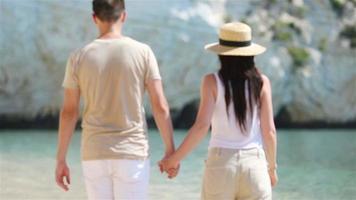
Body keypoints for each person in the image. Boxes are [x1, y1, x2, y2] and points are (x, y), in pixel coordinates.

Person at [55, 0, 178, 199]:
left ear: (94, 18)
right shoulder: (143, 52)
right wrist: (171, 152)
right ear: (124, 16)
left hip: (94, 153)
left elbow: (69, 112)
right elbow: (160, 106)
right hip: (132, 153)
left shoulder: (78, 57)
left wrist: (61, 159)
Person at [160, 22, 278, 200]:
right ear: (250, 53)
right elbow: (269, 131)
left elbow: (201, 126)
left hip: (221, 164)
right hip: (255, 165)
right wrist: (271, 169)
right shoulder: (262, 82)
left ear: (221, 53)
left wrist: (174, 159)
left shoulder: (211, 82)